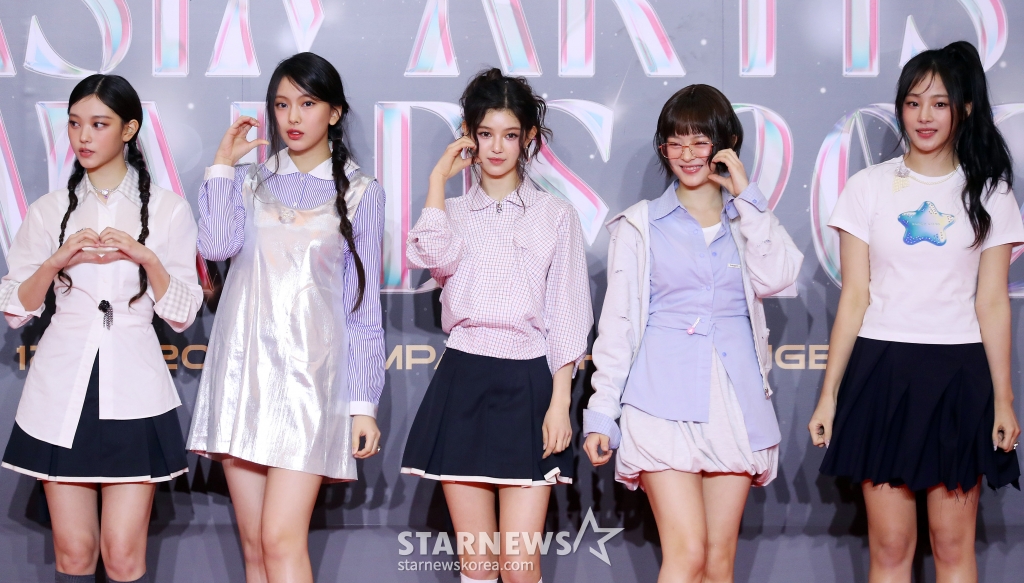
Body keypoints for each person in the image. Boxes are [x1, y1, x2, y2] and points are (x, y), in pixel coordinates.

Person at [809, 41, 1023, 582]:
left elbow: (992, 301)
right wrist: (829, 394)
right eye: (913, 102)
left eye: (940, 103)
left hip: (959, 374)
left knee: (953, 547)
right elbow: (854, 296)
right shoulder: (868, 187)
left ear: (964, 108)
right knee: (890, 547)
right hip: (881, 371)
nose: (924, 116)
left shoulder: (991, 192)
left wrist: (1003, 399)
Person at [582, 84, 803, 583]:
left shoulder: (746, 220)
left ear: (726, 144)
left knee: (719, 563)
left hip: (735, 403)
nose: (686, 155)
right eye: (675, 143)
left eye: (699, 141)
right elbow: (618, 327)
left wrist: (748, 198)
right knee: (686, 556)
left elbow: (779, 276)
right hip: (660, 400)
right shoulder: (639, 226)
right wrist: (602, 413)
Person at [186, 52, 386, 583]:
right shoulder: (247, 182)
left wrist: (363, 405)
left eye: (308, 103)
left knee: (280, 539)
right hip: (242, 376)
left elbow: (363, 307)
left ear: (334, 113)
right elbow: (216, 246)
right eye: (281, 104)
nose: (292, 117)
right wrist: (222, 166)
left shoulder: (361, 193)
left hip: (309, 384)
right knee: (255, 546)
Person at [0, 74, 203, 583]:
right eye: (74, 124)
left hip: (134, 389)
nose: (83, 136)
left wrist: (146, 257)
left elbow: (182, 314)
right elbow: (15, 309)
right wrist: (55, 262)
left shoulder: (168, 209)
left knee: (124, 556)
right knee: (73, 555)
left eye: (98, 124)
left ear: (129, 129)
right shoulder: (48, 210)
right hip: (60, 390)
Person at [400, 68, 593, 583]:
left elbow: (568, 314)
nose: (497, 147)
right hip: (463, 378)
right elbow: (429, 256)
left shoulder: (556, 215)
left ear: (529, 137)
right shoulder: (451, 211)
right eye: (486, 134)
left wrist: (560, 402)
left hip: (529, 381)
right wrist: (437, 182)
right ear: (469, 135)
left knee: (520, 565)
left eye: (510, 134)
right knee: (478, 563)